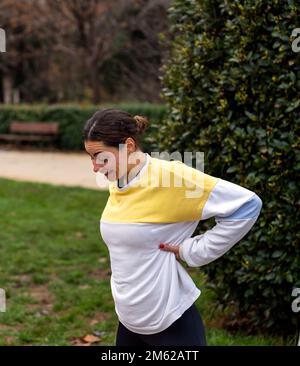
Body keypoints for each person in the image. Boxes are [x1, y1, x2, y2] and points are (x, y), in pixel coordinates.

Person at [83, 108, 262, 346]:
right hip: (128, 322)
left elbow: (247, 205)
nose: (95, 167)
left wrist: (194, 250)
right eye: (91, 157)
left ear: (128, 145)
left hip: (170, 324)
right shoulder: (120, 179)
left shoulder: (171, 177)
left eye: (100, 156)